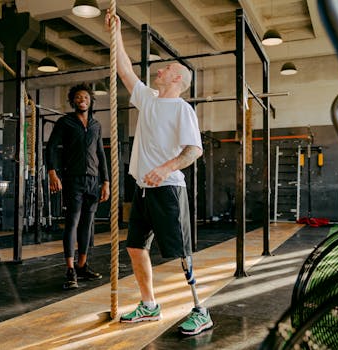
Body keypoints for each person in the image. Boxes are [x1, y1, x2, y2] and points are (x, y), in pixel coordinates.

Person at [106, 11, 213, 336]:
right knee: (136, 248)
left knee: (182, 254)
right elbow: (124, 70)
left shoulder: (182, 109)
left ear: (177, 80)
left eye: (167, 69)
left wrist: (164, 168)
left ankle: (201, 310)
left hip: (168, 189)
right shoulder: (149, 100)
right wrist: (116, 33)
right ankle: (149, 305)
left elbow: (194, 150)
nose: (160, 70)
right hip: (143, 190)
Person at [45, 83, 110, 290]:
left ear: (91, 101)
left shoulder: (96, 125)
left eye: (86, 97)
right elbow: (51, 147)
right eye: (78, 97)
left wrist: (106, 181)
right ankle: (70, 269)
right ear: (73, 101)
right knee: (72, 222)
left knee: (87, 224)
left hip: (93, 181)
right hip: (72, 179)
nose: (82, 100)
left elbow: (101, 154)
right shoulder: (65, 122)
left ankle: (82, 266)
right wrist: (52, 172)